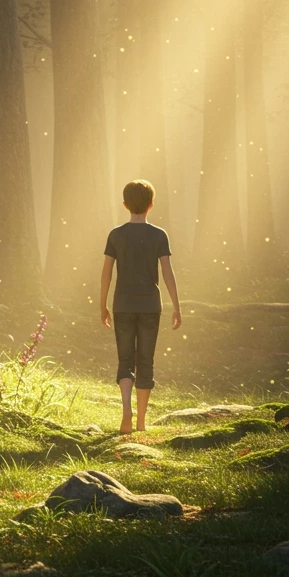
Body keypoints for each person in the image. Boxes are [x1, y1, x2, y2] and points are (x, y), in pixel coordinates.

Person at [100, 179, 181, 434]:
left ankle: (126, 409)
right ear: (151, 204)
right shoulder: (159, 235)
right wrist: (176, 306)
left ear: (125, 204)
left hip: (122, 305)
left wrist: (102, 305)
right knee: (146, 360)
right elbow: (168, 273)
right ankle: (142, 422)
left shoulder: (116, 235)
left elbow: (106, 273)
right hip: (150, 306)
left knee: (125, 359)